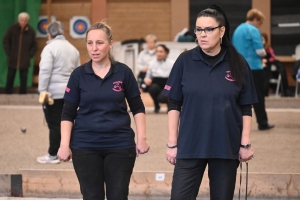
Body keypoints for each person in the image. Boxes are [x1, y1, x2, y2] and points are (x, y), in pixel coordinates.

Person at [163, 4, 257, 199]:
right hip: (190, 145)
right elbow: (174, 104)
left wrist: (245, 144)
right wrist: (172, 143)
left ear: (221, 30)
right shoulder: (184, 61)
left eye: (208, 29)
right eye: (198, 29)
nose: (202, 34)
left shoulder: (238, 63)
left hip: (226, 146)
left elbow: (246, 106)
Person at [57, 21, 150, 200]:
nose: (94, 48)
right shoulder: (78, 75)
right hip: (85, 145)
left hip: (120, 145)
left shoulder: (123, 73)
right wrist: (64, 144)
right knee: (92, 196)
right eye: (90, 43)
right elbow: (68, 112)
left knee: (118, 195)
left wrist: (142, 138)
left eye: (99, 43)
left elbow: (137, 107)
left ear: (110, 44)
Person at [36, 21, 80, 164]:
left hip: (53, 94)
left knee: (55, 124)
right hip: (71, 93)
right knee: (69, 122)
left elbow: (44, 71)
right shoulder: (73, 49)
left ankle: (53, 154)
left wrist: (42, 91)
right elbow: (78, 73)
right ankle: (73, 153)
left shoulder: (50, 49)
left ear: (49, 34)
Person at [232, 9, 275, 131]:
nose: (259, 25)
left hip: (239, 67)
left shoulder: (238, 30)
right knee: (258, 96)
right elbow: (260, 51)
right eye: (260, 22)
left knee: (238, 97)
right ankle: (262, 122)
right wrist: (265, 55)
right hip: (254, 68)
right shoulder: (253, 30)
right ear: (255, 19)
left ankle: (236, 123)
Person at [2, 12, 37, 94]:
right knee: (10, 76)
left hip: (25, 59)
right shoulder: (12, 29)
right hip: (12, 58)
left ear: (27, 21)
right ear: (18, 20)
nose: (23, 22)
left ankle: (23, 94)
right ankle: (8, 92)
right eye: (21, 20)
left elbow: (34, 45)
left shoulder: (31, 31)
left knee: (24, 78)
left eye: (25, 20)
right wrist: (9, 52)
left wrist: (29, 55)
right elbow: (6, 41)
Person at [144, 44, 173, 113]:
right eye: (157, 51)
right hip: (156, 83)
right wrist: (147, 80)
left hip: (167, 84)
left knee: (161, 98)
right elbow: (148, 76)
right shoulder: (151, 63)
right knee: (152, 88)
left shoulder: (172, 63)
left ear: (166, 52)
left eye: (161, 51)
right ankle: (156, 105)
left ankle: (168, 104)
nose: (158, 54)